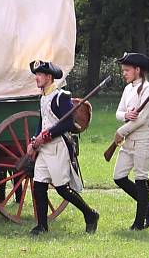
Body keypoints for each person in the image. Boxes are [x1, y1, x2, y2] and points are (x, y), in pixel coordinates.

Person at [28, 60, 99, 236]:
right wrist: (34, 140)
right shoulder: (43, 96)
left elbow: (67, 124)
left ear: (49, 77)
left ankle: (90, 214)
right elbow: (42, 121)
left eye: (39, 75)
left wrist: (46, 136)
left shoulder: (62, 97)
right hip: (44, 148)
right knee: (38, 185)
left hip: (57, 146)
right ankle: (42, 226)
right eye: (36, 74)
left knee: (62, 189)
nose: (37, 78)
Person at [112, 52, 149, 230]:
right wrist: (125, 115)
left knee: (141, 178)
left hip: (144, 141)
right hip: (128, 142)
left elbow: (140, 120)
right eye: (123, 70)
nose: (124, 73)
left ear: (137, 70)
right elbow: (119, 112)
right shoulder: (128, 89)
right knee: (118, 177)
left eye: (127, 70)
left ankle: (139, 223)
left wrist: (120, 131)